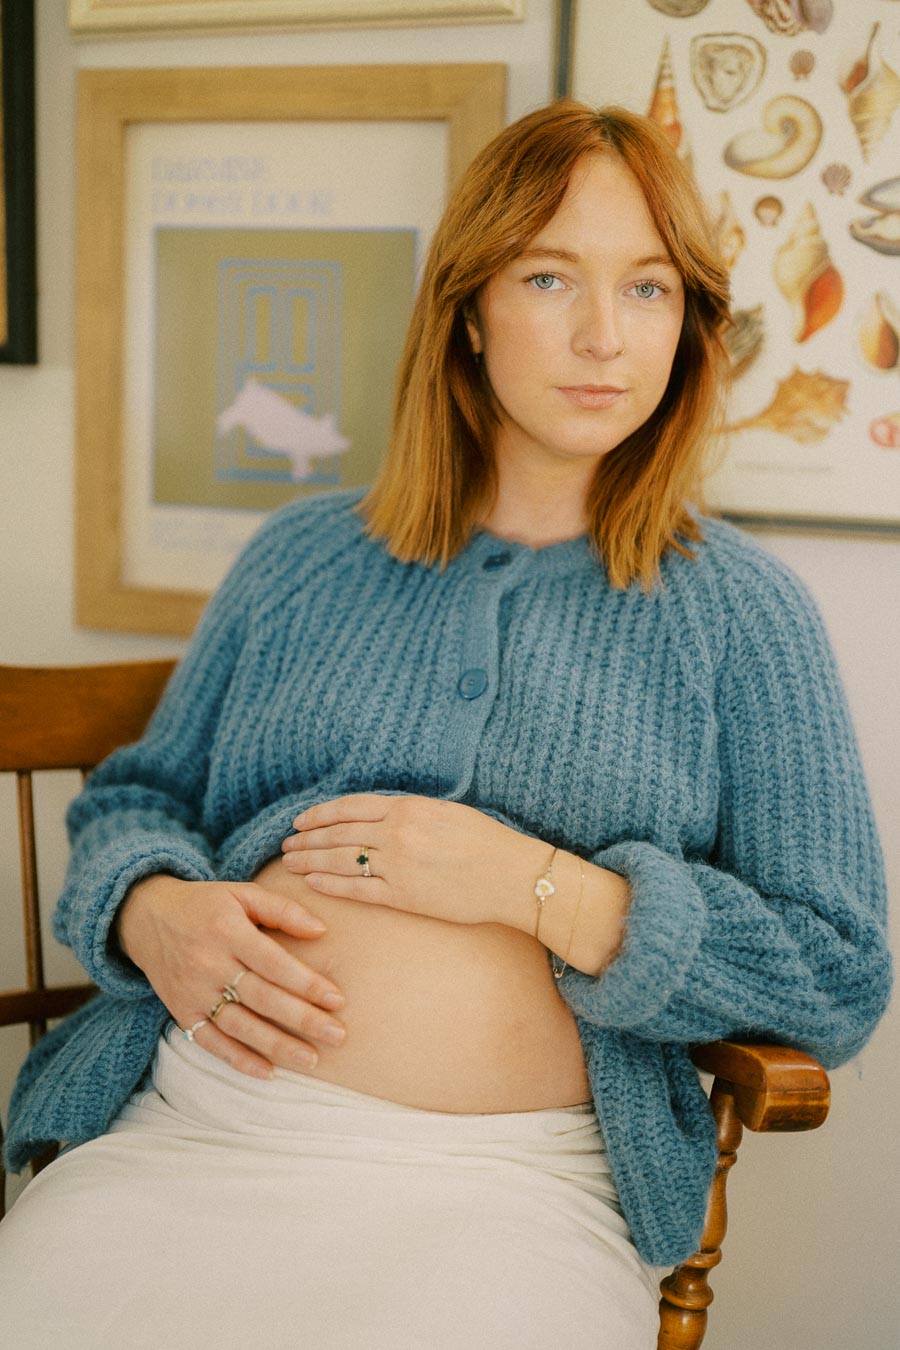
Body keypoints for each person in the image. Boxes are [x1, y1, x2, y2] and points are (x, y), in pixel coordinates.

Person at [0, 100, 891, 1349]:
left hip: (513, 1185)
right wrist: (156, 912)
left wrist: (541, 889)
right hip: (198, 1128)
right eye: (549, 277)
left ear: (691, 324)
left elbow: (838, 971)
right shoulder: (303, 558)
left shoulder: (742, 615)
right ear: (468, 309)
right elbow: (135, 802)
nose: (602, 337)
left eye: (647, 290)